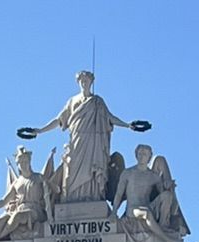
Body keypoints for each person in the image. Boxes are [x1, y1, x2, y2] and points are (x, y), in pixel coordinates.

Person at [22, 70, 148, 202]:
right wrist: (40, 130)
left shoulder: (97, 102)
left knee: (92, 170)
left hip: (93, 142)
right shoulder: (72, 101)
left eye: (86, 81)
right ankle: (71, 200)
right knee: (70, 172)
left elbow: (110, 118)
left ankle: (92, 197)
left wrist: (127, 125)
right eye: (82, 81)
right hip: (77, 141)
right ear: (78, 83)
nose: (84, 83)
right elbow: (59, 120)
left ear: (91, 82)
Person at [0, 146, 51, 242]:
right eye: (21, 162)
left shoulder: (39, 177)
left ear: (29, 162)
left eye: (25, 161)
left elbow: (55, 190)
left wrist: (49, 184)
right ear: (18, 165)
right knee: (2, 219)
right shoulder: (17, 182)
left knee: (16, 216)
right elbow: (4, 201)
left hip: (35, 211)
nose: (24, 164)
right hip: (20, 209)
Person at [112, 145, 188, 242]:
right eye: (140, 154)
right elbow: (118, 194)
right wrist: (114, 212)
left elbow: (163, 195)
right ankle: (167, 240)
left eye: (145, 154)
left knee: (167, 195)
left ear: (149, 157)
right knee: (146, 213)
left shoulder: (153, 176)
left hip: (149, 207)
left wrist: (168, 186)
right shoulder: (128, 173)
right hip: (132, 210)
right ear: (136, 155)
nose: (141, 156)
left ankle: (162, 226)